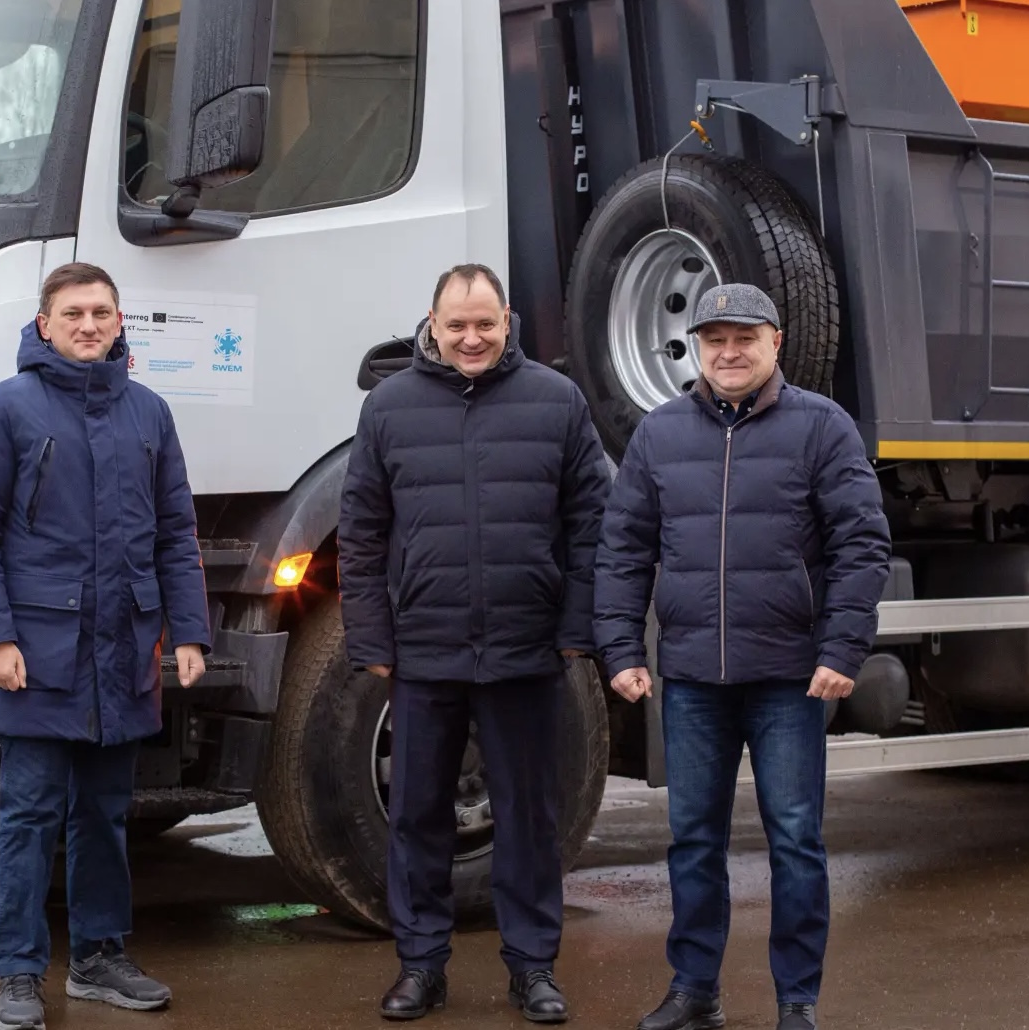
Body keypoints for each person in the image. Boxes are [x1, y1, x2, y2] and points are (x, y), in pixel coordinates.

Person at [594, 283, 891, 1030]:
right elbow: (623, 549)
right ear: (698, 346)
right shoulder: (660, 434)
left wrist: (842, 646)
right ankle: (694, 991)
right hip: (694, 679)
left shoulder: (822, 427)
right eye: (715, 339)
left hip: (791, 679)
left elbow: (862, 544)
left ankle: (798, 1002)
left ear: (775, 343)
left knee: (796, 842)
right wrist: (621, 647)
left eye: (745, 338)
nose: (729, 352)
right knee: (694, 841)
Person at [339, 263, 610, 1024]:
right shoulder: (389, 408)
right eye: (456, 325)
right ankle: (421, 967)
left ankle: (533, 969)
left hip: (525, 650)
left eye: (484, 324)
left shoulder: (557, 401)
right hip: (425, 652)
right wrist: (372, 636)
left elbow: (593, 523)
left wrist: (576, 627)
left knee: (529, 819)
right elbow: (361, 532)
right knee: (417, 818)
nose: (470, 339)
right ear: (432, 323)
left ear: (507, 319)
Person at [0, 262, 211, 1030]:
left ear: (119, 322)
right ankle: (19, 973)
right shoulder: (5, 408)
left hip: (122, 653)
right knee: (29, 817)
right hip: (38, 654)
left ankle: (99, 959)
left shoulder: (149, 413)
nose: (88, 325)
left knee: (104, 815)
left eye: (101, 312)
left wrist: (189, 631)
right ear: (45, 324)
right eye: (73, 313)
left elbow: (175, 532)